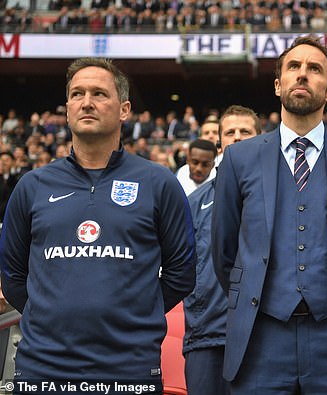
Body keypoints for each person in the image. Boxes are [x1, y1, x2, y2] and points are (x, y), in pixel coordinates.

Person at [0, 57, 196, 389]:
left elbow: (182, 273)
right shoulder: (33, 186)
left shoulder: (159, 183)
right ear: (66, 108)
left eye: (99, 93)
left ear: (124, 109)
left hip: (129, 367)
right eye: (77, 94)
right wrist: (50, 315)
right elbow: (13, 275)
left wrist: (136, 314)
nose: (86, 102)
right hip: (43, 368)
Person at [212, 35, 327, 394]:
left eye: (314, 69)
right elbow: (224, 250)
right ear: (278, 85)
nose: (303, 75)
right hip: (260, 337)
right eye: (294, 67)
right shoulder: (239, 158)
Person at [183, 105, 260, 395]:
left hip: (264, 334)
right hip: (207, 334)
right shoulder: (194, 202)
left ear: (261, 139)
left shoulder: (286, 196)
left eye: (246, 132)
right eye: (230, 132)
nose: (238, 138)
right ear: (219, 144)